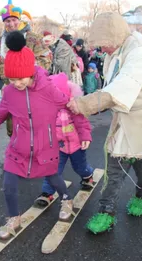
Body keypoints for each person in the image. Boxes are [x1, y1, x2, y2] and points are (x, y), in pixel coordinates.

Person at [66, 12, 142, 234]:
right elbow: (113, 86)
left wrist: (83, 104)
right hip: (124, 120)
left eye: (105, 44)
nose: (103, 49)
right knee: (115, 170)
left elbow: (121, 88)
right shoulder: (117, 49)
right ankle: (106, 212)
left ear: (115, 36)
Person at [0, 31, 73, 239]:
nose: (17, 83)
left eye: (21, 78)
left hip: (45, 146)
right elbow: (0, 113)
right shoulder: (10, 92)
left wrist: (80, 124)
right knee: (8, 185)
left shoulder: (47, 88)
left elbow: (68, 104)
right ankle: (14, 217)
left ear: (30, 73)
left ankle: (67, 198)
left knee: (54, 178)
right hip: (18, 147)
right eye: (12, 79)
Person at [0, 0, 51, 137]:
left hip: (31, 88)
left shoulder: (33, 38)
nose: (11, 24)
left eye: (13, 20)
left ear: (19, 19)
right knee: (13, 129)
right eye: (7, 21)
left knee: (33, 128)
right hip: (10, 89)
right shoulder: (0, 42)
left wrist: (26, 73)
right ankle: (16, 152)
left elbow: (45, 59)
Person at [34, 73, 93, 207]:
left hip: (76, 146)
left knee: (80, 167)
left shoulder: (74, 108)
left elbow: (82, 124)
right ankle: (46, 193)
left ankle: (87, 176)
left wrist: (85, 137)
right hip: (57, 147)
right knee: (52, 170)